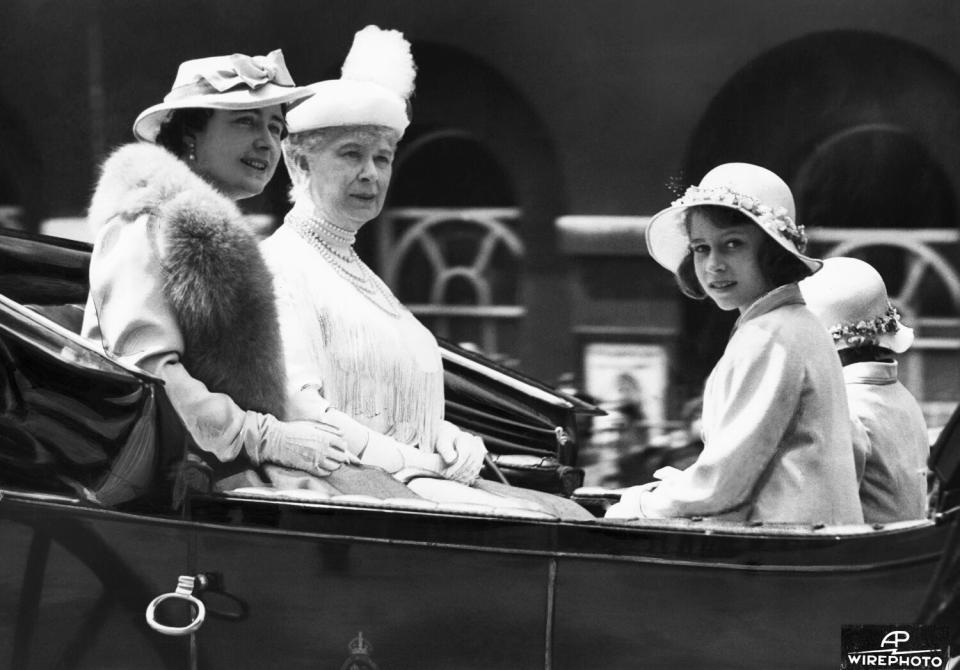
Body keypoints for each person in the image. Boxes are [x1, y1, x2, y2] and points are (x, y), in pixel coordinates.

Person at [261, 26, 593, 519]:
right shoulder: (279, 266)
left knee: (575, 516)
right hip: (343, 493)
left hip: (408, 480)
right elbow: (302, 409)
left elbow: (391, 400)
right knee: (549, 525)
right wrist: (420, 458)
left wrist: (447, 436)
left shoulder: (358, 273)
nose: (371, 173)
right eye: (351, 153)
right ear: (297, 162)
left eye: (383, 157)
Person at [81, 49, 414, 497]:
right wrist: (263, 436)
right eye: (245, 122)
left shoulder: (227, 236)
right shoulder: (143, 222)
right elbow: (146, 373)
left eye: (275, 127)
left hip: (232, 466)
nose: (267, 142)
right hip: (173, 481)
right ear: (191, 132)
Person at [606, 163, 863, 524]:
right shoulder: (798, 325)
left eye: (732, 244)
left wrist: (638, 507)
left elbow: (721, 484)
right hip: (808, 546)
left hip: (782, 555)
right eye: (700, 248)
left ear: (773, 252)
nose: (713, 265)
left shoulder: (770, 336)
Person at [799, 256, 929, 522]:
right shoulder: (903, 397)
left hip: (871, 554)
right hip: (909, 549)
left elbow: (826, 516)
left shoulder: (843, 409)